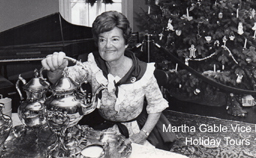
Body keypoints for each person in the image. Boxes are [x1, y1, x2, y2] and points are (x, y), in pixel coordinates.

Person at [41, 11, 175, 150]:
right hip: (103, 131)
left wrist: (142, 135)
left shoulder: (142, 71)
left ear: (126, 43)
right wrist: (55, 70)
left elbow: (156, 106)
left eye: (115, 39)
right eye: (102, 39)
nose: (107, 45)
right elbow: (61, 80)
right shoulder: (92, 67)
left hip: (137, 131)